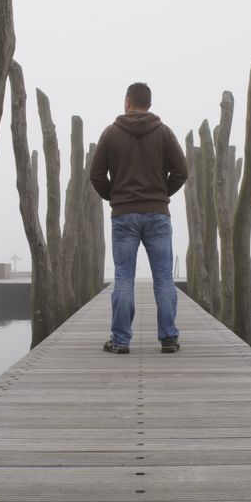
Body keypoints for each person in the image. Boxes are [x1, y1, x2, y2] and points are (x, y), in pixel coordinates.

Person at [89, 82, 188, 353]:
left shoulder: (110, 134)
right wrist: (160, 194)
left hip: (124, 216)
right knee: (164, 278)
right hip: (157, 215)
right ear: (149, 104)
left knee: (123, 278)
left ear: (127, 102)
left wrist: (114, 196)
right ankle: (168, 338)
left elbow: (96, 175)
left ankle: (120, 341)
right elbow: (181, 171)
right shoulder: (164, 133)